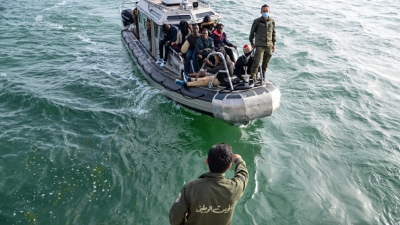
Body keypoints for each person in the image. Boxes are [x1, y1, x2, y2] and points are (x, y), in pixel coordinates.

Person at [169, 143, 248, 225]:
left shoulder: (189, 188)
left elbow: (175, 219)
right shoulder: (236, 188)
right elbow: (243, 175)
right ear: (229, 166)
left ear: (207, 161)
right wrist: (239, 160)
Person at [249, 4, 276, 81]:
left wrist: (274, 44)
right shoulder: (257, 21)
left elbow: (274, 33)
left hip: (269, 45)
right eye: (264, 11)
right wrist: (252, 43)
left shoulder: (272, 21)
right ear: (261, 12)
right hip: (260, 45)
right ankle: (253, 78)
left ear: (269, 11)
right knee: (256, 63)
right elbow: (252, 33)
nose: (265, 12)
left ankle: (263, 76)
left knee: (265, 63)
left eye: (266, 11)